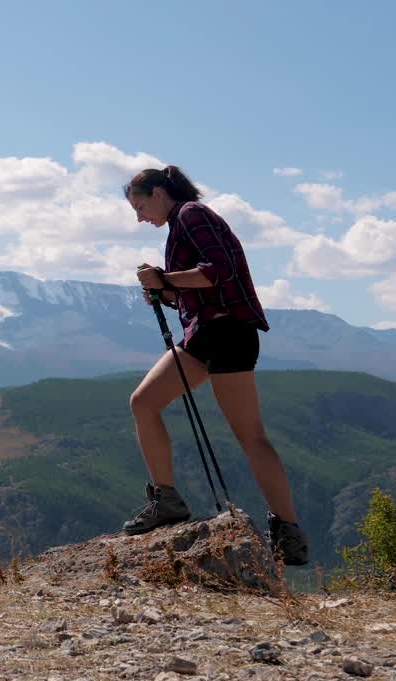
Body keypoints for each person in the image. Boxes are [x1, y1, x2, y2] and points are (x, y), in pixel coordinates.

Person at [121, 165, 309, 566]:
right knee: (145, 403)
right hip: (219, 334)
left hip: (221, 333)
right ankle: (285, 532)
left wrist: (165, 280)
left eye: (139, 206)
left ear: (157, 192)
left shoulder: (190, 215)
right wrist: (166, 290)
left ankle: (173, 501)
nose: (139, 217)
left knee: (245, 435)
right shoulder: (184, 222)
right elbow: (207, 282)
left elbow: (217, 271)